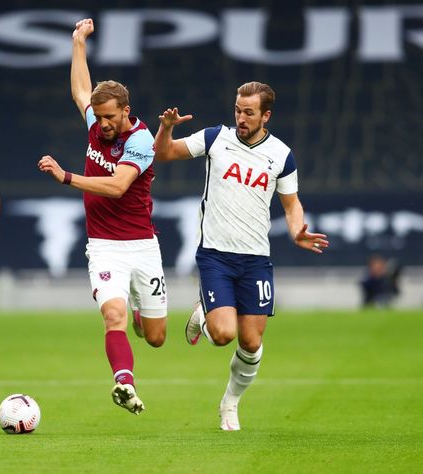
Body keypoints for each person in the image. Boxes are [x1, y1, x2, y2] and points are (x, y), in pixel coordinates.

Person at [153, 81, 329, 431]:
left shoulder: (281, 154)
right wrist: (166, 128)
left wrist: (297, 232)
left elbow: (291, 204)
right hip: (216, 254)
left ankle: (229, 404)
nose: (241, 117)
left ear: (266, 115)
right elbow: (164, 153)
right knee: (222, 335)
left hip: (255, 260)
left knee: (251, 342)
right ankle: (206, 315)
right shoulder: (216, 138)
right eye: (238, 110)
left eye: (249, 112)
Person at [38, 18, 167, 415]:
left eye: (110, 117)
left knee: (155, 336)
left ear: (126, 111)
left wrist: (66, 177)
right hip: (105, 247)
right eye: (99, 117)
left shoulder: (141, 140)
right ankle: (125, 384)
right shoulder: (97, 122)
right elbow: (80, 89)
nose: (102, 123)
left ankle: (140, 312)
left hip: (143, 246)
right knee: (113, 316)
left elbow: (116, 186)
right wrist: (78, 43)